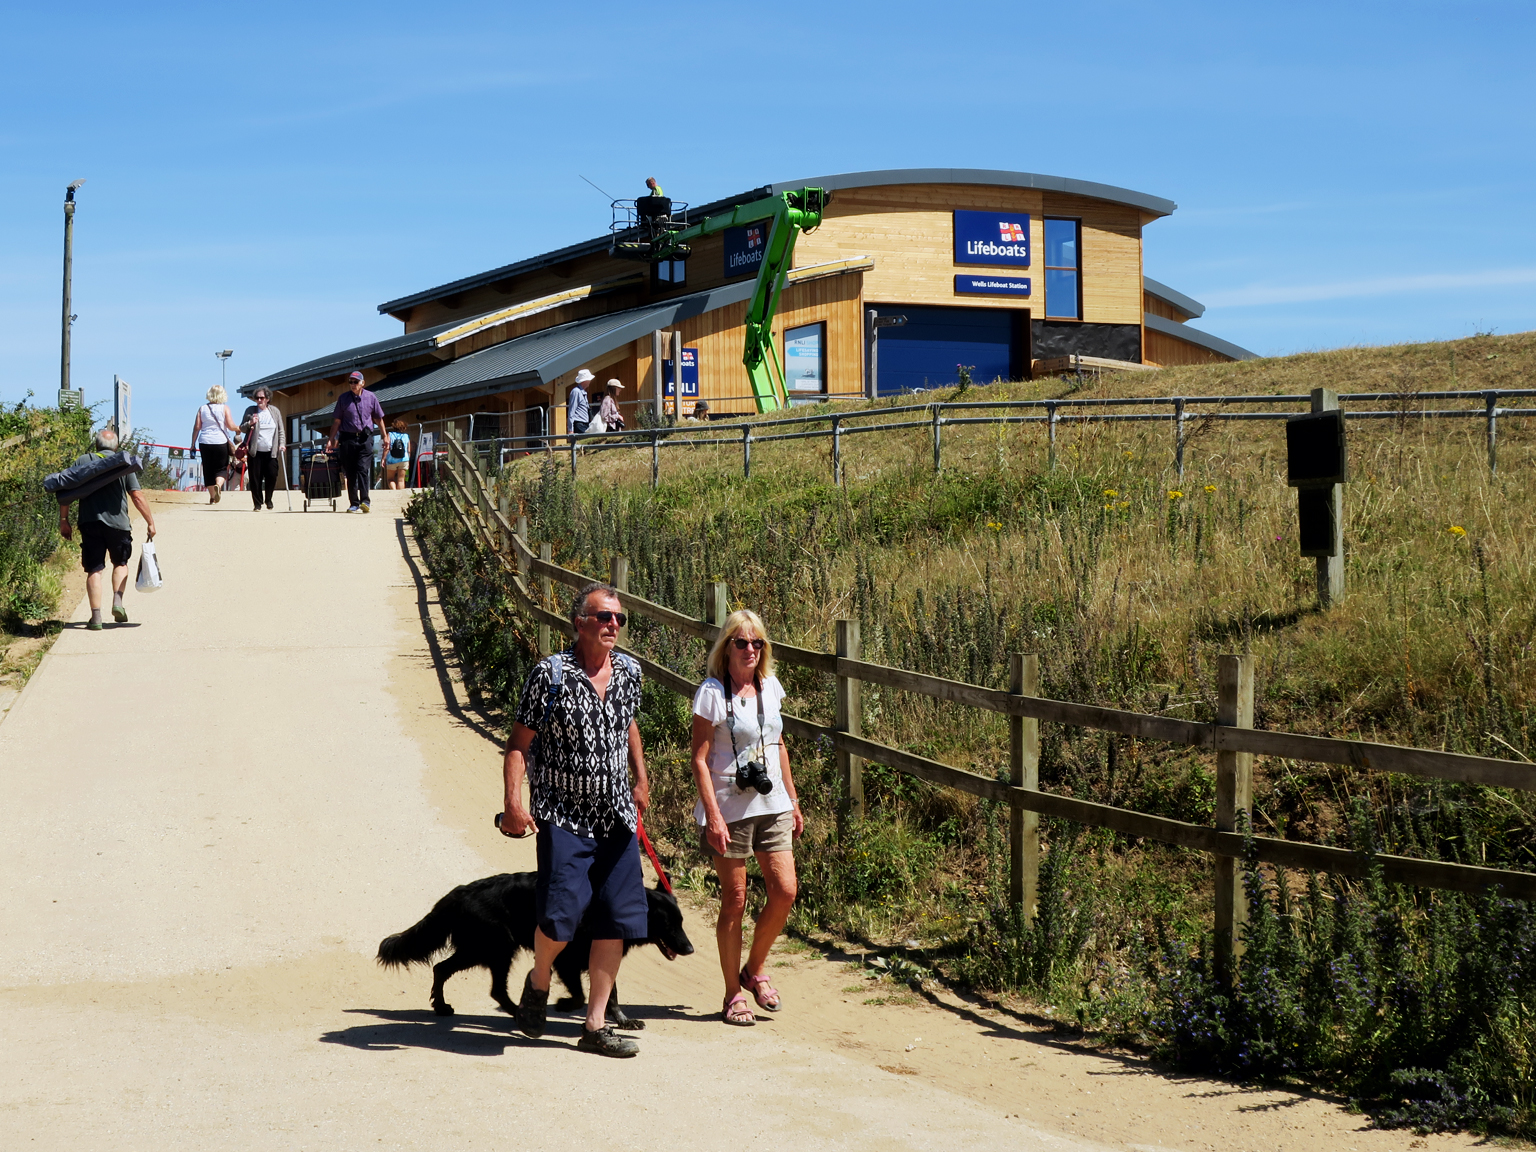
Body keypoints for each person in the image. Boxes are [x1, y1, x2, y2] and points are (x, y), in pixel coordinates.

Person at [501, 582, 651, 1058]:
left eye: (619, 619)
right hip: (564, 815)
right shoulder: (550, 675)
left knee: (614, 921)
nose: (613, 625)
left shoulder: (629, 671)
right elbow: (519, 744)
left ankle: (595, 1024)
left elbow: (627, 723)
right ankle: (539, 978)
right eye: (604, 617)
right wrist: (514, 803)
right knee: (559, 918)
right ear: (579, 623)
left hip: (616, 815)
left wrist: (640, 779)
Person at [690, 609, 802, 1026]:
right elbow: (699, 760)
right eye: (741, 642)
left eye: (758, 643)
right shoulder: (711, 693)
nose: (750, 649)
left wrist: (792, 799)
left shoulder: (771, 687)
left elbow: (779, 745)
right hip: (729, 808)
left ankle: (753, 970)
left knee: (785, 890)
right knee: (735, 899)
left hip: (771, 805)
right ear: (727, 647)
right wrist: (714, 817)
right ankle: (732, 994)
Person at [57, 426, 157, 630]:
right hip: (118, 524)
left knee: (94, 569)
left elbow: (65, 491)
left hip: (89, 521)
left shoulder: (83, 461)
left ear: (96, 445)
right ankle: (117, 602)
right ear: (117, 446)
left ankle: (95, 617)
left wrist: (64, 519)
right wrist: (150, 521)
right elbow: (136, 496)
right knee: (120, 563)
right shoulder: (123, 462)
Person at [325, 370, 388, 513]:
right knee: (351, 471)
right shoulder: (343, 399)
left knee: (362, 469)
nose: (353, 384)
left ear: (362, 383)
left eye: (356, 382)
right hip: (347, 438)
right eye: (351, 382)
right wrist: (331, 439)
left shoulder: (371, 397)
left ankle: (365, 501)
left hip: (365, 438)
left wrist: (385, 436)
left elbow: (379, 418)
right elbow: (337, 421)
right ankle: (354, 503)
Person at [191, 385, 241, 504]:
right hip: (220, 441)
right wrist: (239, 429)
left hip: (205, 442)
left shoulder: (202, 408)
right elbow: (230, 425)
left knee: (208, 469)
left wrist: (192, 443)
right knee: (222, 468)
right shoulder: (224, 408)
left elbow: (197, 427)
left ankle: (212, 496)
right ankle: (218, 484)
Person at [241, 387, 286, 511]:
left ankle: (268, 499)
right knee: (255, 479)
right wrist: (250, 423)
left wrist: (281, 444)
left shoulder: (275, 411)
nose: (259, 400)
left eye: (262, 398)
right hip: (255, 451)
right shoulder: (250, 411)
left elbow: (280, 430)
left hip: (271, 451)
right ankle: (257, 503)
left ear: (267, 399)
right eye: (257, 398)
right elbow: (242, 428)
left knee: (272, 475)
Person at [382, 419, 411, 490]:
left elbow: (387, 448)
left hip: (391, 459)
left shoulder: (390, 435)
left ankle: (394, 492)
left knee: (390, 479)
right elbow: (409, 450)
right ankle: (400, 496)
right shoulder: (406, 436)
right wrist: (408, 460)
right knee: (401, 480)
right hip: (404, 459)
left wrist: (383, 458)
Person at [568, 369, 593, 436]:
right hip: (579, 424)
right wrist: (570, 429)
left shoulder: (583, 393)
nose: (590, 381)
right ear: (585, 381)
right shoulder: (576, 392)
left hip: (584, 424)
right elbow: (572, 411)